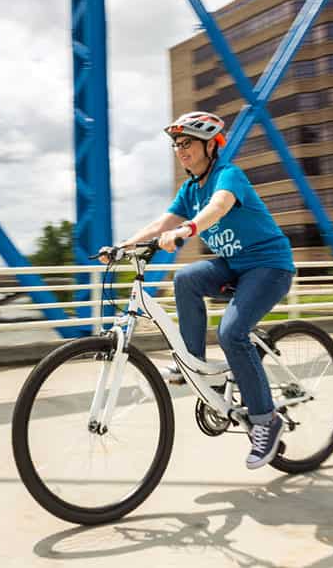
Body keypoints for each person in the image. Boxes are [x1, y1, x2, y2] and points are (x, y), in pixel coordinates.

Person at [100, 111, 295, 469]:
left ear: (210, 144)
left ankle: (267, 421)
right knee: (185, 278)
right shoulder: (189, 190)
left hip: (269, 266)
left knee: (232, 333)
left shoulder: (228, 175)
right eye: (177, 144)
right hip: (235, 265)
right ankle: (193, 365)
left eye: (187, 142)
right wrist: (123, 246)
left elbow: (218, 207)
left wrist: (188, 230)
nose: (180, 150)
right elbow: (163, 222)